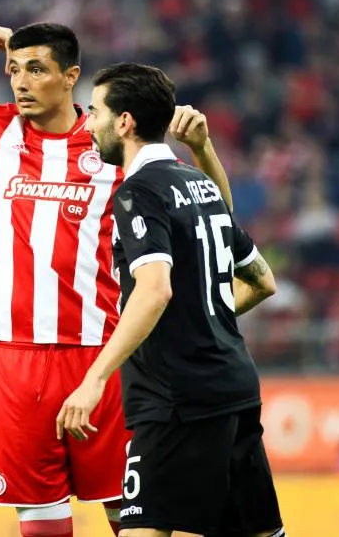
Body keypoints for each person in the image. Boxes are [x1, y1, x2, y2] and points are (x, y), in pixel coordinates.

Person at [0, 21, 234, 536]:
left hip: (103, 355)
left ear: (71, 78)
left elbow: (211, 216)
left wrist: (202, 152)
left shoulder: (113, 141)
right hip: (16, 358)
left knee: (136, 518)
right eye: (14, 70)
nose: (20, 81)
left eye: (36, 69)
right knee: (41, 523)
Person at [57, 63, 284, 537]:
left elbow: (155, 289)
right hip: (235, 387)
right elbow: (261, 281)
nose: (88, 122)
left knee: (143, 529)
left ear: (125, 122)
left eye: (95, 111)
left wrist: (94, 379)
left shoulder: (137, 193)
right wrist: (202, 314)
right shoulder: (198, 182)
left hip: (175, 400)